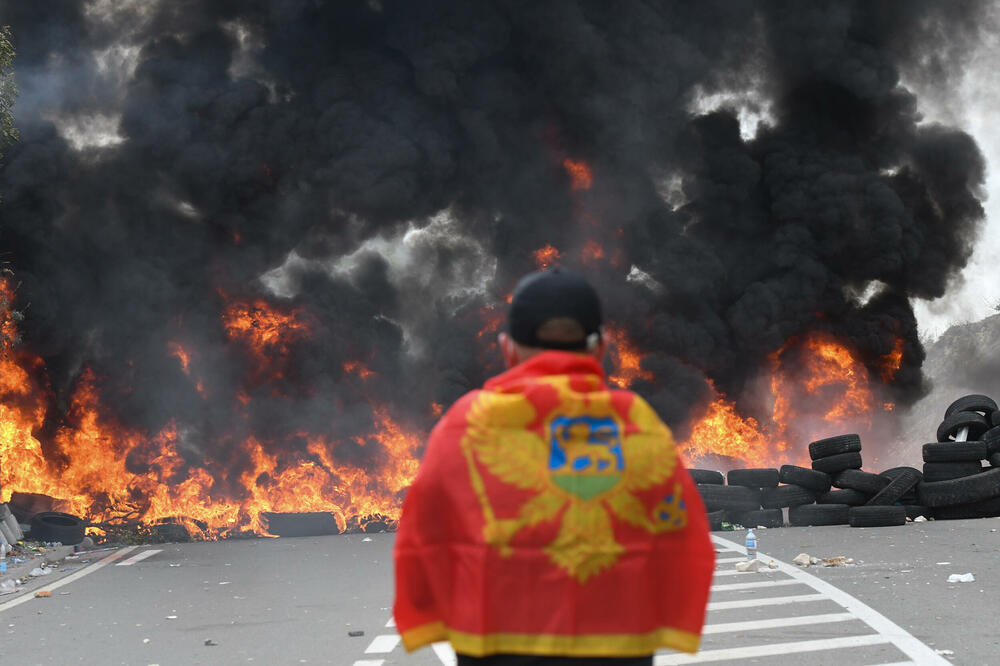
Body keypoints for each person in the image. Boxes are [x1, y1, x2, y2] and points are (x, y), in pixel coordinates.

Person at [393, 267, 715, 665]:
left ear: (507, 348)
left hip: (498, 646)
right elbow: (681, 534)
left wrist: (432, 613)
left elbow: (422, 534)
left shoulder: (468, 424)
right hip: (618, 646)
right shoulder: (636, 425)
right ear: (601, 348)